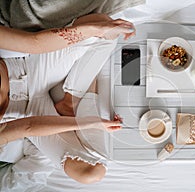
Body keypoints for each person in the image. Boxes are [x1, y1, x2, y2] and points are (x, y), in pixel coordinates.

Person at [0, 13, 134, 185]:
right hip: (28, 114)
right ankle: (71, 103)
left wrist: (94, 29)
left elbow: (34, 42)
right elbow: (28, 127)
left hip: (30, 69)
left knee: (106, 27)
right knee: (91, 172)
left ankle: (72, 99)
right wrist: (89, 122)